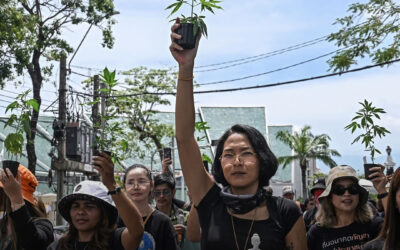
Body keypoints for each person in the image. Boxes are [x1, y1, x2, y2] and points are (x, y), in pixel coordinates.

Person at [170, 18, 307, 250]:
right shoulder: (209, 201)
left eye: (246, 153)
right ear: (220, 163)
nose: (237, 161)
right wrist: (185, 67)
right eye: (228, 154)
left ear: (262, 158)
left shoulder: (285, 211)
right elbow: (184, 138)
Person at [48, 152, 143, 250]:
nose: (80, 212)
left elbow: (137, 230)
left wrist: (112, 184)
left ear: (103, 212)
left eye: (89, 206)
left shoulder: (115, 240)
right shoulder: (59, 246)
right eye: (76, 206)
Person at [307, 165, 384, 250]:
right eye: (339, 189)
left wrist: (382, 190)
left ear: (359, 194)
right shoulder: (317, 233)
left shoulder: (374, 225)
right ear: (329, 196)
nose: (347, 193)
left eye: (353, 188)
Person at [119, 164, 179, 250]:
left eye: (141, 181)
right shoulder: (116, 219)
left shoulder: (163, 221)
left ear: (151, 186)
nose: (136, 187)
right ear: (124, 187)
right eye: (130, 182)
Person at [0, 165, 54, 250]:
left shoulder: (43, 225)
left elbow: (34, 243)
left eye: (2, 191)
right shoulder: (3, 223)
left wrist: (17, 201)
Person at [154, 173, 200, 250]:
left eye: (166, 192)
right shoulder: (149, 218)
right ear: (153, 193)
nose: (161, 196)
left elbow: (198, 235)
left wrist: (185, 231)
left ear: (173, 192)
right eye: (157, 193)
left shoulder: (186, 217)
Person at [363, 167, 399, 250]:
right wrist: (382, 190)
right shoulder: (376, 247)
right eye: (339, 190)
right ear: (395, 202)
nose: (346, 194)